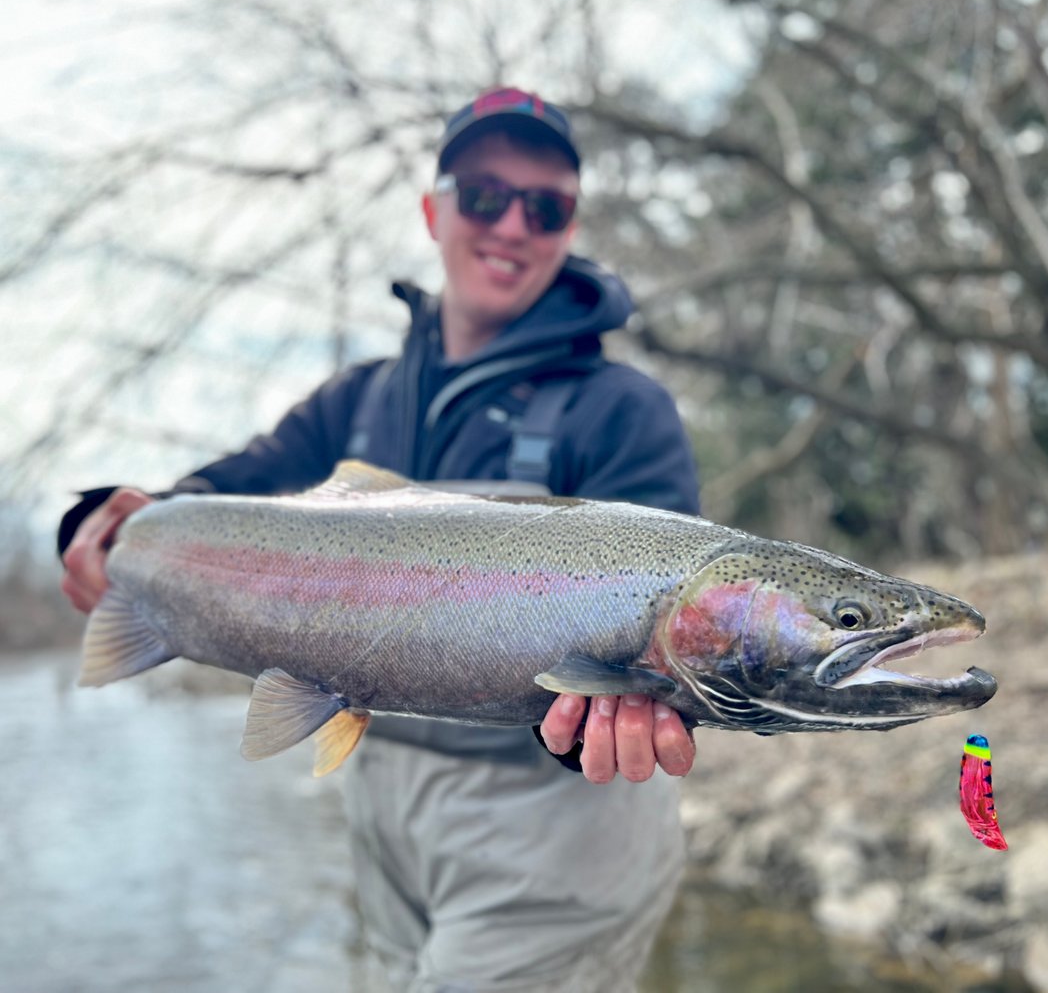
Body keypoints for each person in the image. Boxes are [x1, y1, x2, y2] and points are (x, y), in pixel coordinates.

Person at [60, 87, 701, 992]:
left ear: (569, 227)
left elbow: (651, 658)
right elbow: (223, 492)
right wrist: (104, 522)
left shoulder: (621, 409)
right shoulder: (357, 399)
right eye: (484, 196)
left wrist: (594, 722)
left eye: (545, 206)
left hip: (555, 839)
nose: (512, 225)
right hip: (385, 821)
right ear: (433, 209)